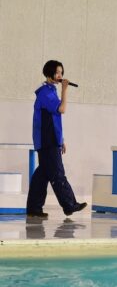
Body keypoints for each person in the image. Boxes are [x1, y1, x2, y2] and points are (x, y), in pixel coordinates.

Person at [27, 60, 87, 219]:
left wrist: (62, 139)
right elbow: (62, 109)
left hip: (50, 139)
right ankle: (69, 205)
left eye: (61, 72)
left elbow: (54, 120)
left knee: (42, 175)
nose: (60, 75)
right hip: (48, 141)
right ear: (49, 73)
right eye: (57, 72)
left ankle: (34, 208)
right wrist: (65, 90)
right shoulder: (45, 93)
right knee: (58, 174)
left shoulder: (50, 91)